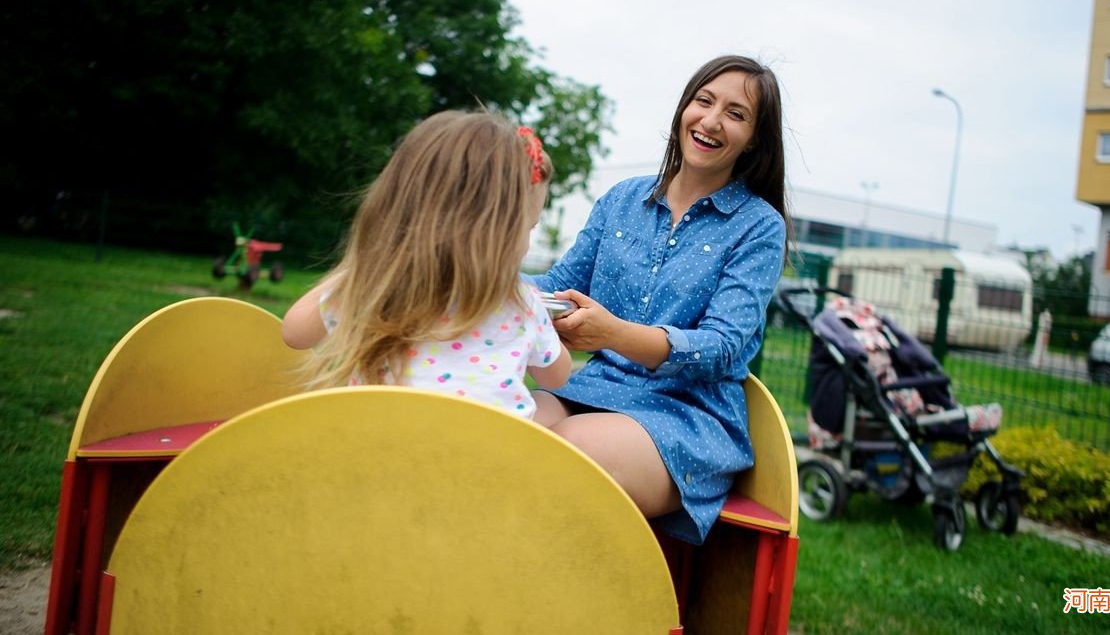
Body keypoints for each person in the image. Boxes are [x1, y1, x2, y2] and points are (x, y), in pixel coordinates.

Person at [531, 55, 789, 545]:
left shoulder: (759, 226)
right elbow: (558, 285)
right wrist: (479, 275)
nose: (711, 121)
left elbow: (722, 348)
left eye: (735, 114)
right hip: (592, 391)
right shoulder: (622, 199)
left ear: (754, 137)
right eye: (704, 100)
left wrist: (615, 335)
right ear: (684, 107)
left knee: (566, 451)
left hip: (689, 415)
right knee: (503, 426)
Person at [281, 110, 574, 420]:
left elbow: (294, 332)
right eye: (528, 227)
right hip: (484, 465)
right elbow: (557, 376)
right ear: (499, 234)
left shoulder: (374, 290)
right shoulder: (523, 303)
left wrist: (365, 264)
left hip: (375, 458)